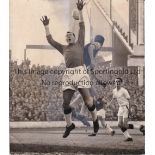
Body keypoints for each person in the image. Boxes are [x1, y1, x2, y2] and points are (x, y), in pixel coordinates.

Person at [40, 0, 99, 138]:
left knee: (89, 101)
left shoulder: (79, 43)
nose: (68, 36)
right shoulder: (63, 48)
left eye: (70, 35)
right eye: (66, 36)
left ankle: (95, 120)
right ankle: (69, 125)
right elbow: (51, 41)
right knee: (65, 104)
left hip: (80, 72)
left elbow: (82, 27)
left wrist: (80, 12)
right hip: (68, 75)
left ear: (74, 37)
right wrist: (47, 26)